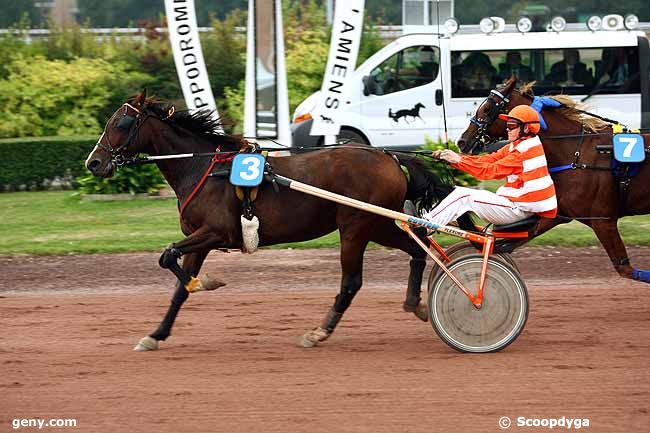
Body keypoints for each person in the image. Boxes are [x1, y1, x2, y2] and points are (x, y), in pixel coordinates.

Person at [423, 105, 557, 228]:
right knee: (455, 191)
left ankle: (424, 226)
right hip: (519, 205)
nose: (507, 129)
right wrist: (454, 158)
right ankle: (430, 216)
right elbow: (488, 160)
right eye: (507, 125)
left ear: (526, 128)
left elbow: (488, 171)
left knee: (463, 196)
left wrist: (458, 161)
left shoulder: (522, 151)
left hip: (520, 209)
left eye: (511, 126)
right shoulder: (520, 144)